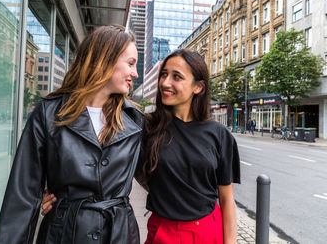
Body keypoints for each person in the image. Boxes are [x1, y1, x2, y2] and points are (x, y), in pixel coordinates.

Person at [42, 49, 240, 243]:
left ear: (198, 87)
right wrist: (57, 193)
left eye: (176, 77)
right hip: (163, 231)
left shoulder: (219, 134)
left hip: (208, 231)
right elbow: (94, 154)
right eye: (164, 74)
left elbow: (226, 200)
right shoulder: (143, 126)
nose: (165, 82)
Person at [0, 25, 144, 244]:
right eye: (130, 63)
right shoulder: (49, 113)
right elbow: (22, 196)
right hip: (64, 234)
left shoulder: (135, 119)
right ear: (104, 59)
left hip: (119, 234)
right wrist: (44, 201)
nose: (135, 73)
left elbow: (162, 175)